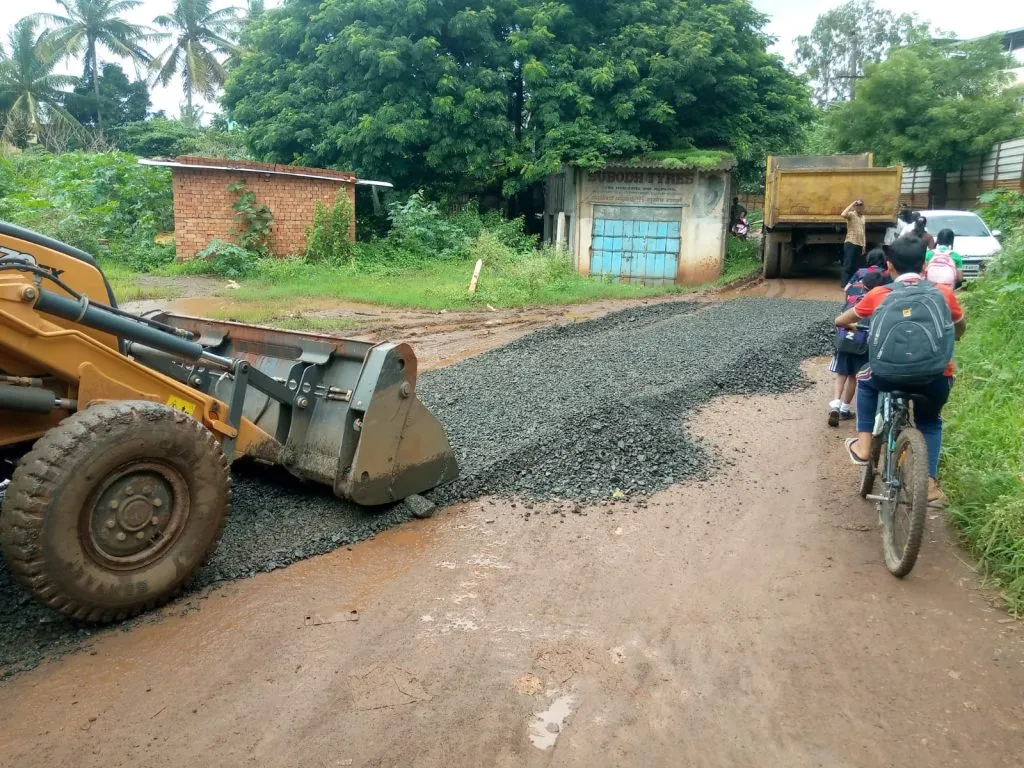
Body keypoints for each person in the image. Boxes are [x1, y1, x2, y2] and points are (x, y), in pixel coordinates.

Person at [835, 235, 966, 506]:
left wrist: (846, 325)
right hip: (935, 376)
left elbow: (843, 319)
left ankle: (863, 446)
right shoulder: (943, 293)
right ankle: (928, 486)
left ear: (890, 266)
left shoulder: (880, 294)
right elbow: (959, 328)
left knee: (866, 380)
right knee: (930, 421)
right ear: (924, 266)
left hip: (887, 375)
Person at [828, 249, 891, 426]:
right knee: (855, 376)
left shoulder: (858, 277)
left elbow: (846, 289)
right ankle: (845, 409)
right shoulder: (885, 279)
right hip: (862, 339)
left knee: (841, 373)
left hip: (845, 334)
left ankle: (834, 404)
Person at [840, 199, 866, 287]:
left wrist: (864, 245)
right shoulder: (851, 214)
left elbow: (863, 232)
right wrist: (852, 203)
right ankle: (844, 285)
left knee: (856, 265)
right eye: (857, 205)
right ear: (855, 206)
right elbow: (843, 214)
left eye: (860, 205)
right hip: (850, 242)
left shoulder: (863, 217)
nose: (859, 207)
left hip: (859, 244)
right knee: (848, 264)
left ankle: (852, 283)